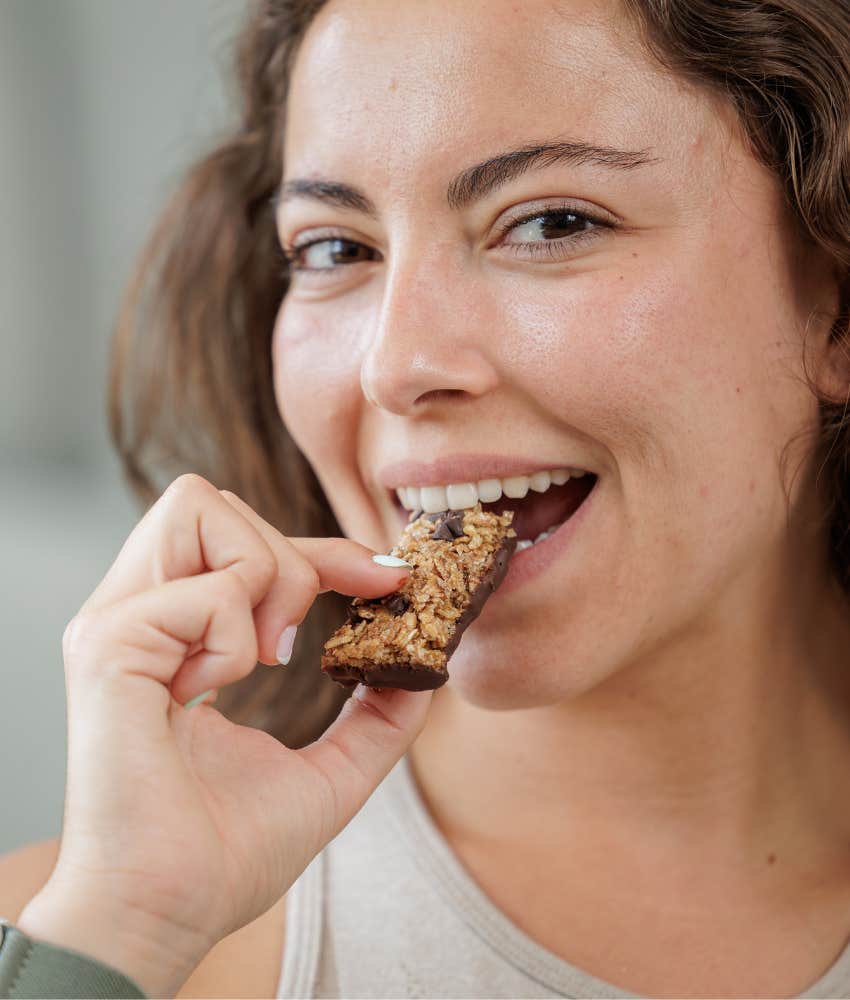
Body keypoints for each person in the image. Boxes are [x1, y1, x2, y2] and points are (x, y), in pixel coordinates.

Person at [3, 0, 850, 996]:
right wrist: (120, 933)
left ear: (831, 303)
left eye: (551, 221)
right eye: (333, 248)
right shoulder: (100, 933)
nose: (394, 365)